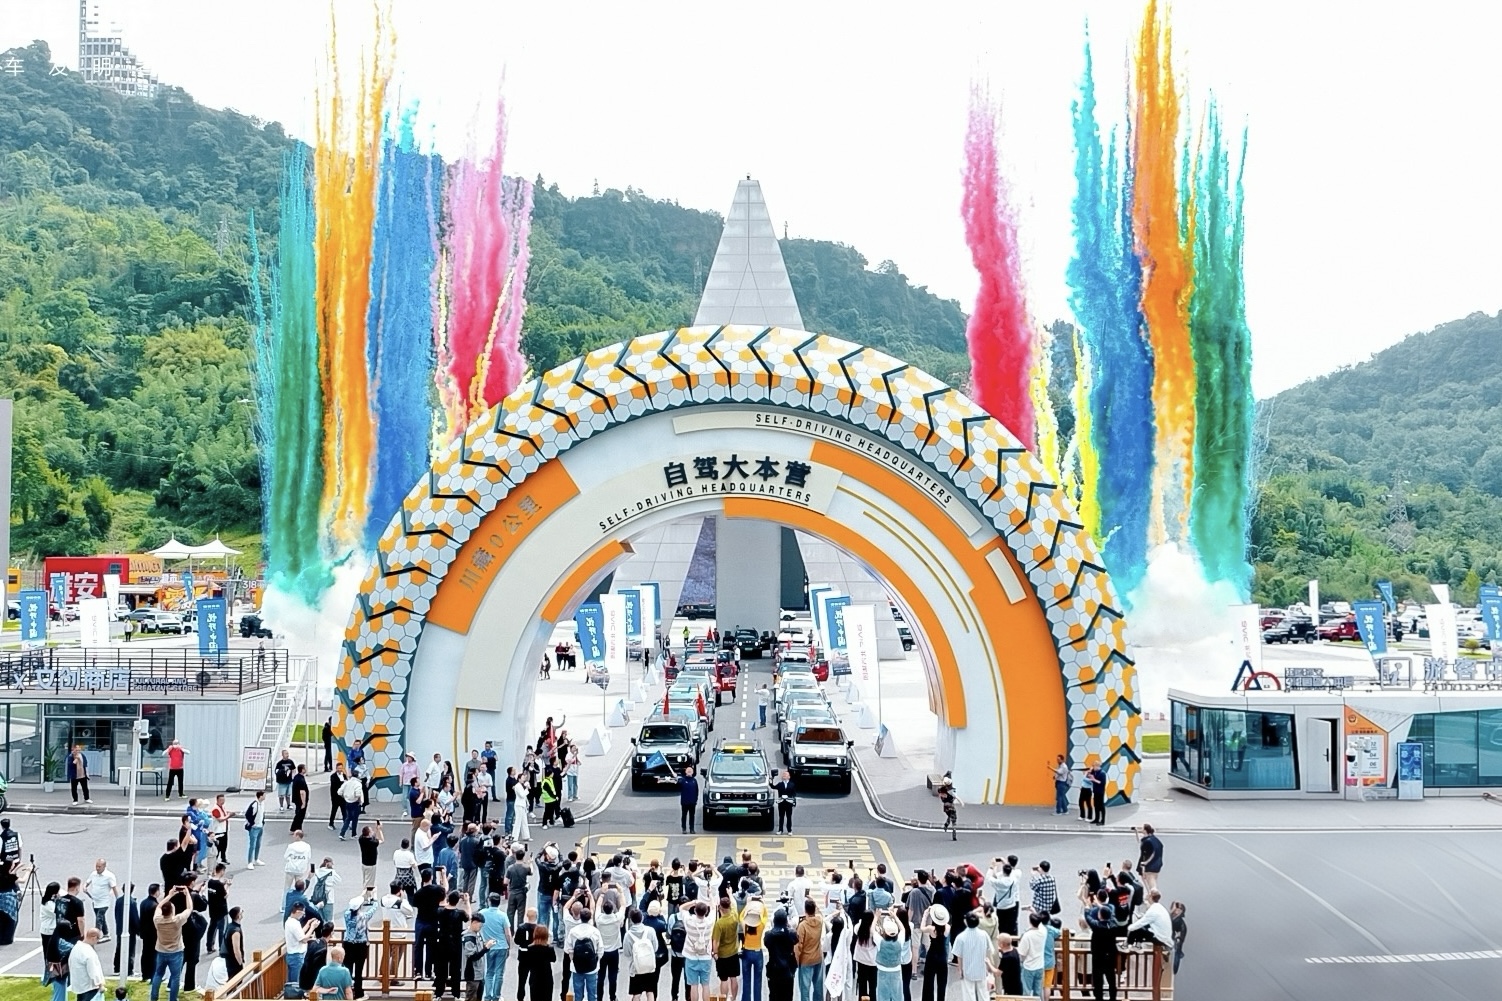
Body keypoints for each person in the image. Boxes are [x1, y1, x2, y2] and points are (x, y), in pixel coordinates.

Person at [149, 885, 192, 1001]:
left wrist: (169, 895)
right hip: (176, 952)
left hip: (161, 951)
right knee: (175, 977)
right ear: (172, 911)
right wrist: (187, 894)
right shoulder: (177, 920)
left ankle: (153, 997)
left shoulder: (157, 920)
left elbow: (159, 906)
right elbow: (189, 909)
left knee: (158, 974)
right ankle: (172, 999)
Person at [1081, 890, 1119, 1001]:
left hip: (1098, 957)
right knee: (1111, 979)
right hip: (1110, 956)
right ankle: (1113, 998)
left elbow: (1088, 916)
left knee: (1098, 980)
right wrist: (1100, 906)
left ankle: (1099, 998)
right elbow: (1111, 915)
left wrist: (1087, 906)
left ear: (1099, 915)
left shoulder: (1096, 926)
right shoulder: (1113, 925)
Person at [948, 912, 991, 1001]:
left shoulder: (961, 937)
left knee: (968, 995)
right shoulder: (984, 934)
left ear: (966, 922)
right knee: (983, 995)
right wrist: (988, 968)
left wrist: (960, 970)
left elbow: (959, 956)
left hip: (967, 970)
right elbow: (988, 951)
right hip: (981, 969)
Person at [566, 907, 605, 1001]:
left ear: (580, 916)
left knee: (578, 994)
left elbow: (568, 949)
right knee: (592, 994)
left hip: (577, 967)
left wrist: (573, 960)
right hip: (592, 967)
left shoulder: (573, 931)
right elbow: (600, 949)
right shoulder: (595, 931)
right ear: (590, 918)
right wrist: (596, 960)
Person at [678, 900, 713, 1001]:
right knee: (706, 985)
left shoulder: (689, 922)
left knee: (693, 985)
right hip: (706, 957)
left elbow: (681, 908)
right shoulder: (710, 922)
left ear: (694, 911)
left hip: (691, 956)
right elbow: (713, 907)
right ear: (706, 912)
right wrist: (709, 900)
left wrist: (694, 902)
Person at [791, 898, 822, 1001]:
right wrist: (813, 900)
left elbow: (798, 946)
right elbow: (819, 912)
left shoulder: (802, 926)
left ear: (805, 910)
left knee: (805, 989)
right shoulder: (819, 921)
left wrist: (796, 961)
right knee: (818, 987)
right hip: (818, 958)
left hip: (806, 960)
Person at [83, 859, 118, 942]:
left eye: (99, 867)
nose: (97, 868)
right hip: (95, 901)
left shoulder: (109, 876)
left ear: (104, 866)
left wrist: (118, 900)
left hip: (104, 902)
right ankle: (106, 934)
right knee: (101, 918)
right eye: (96, 866)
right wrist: (85, 887)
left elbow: (114, 888)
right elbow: (87, 882)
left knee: (99, 919)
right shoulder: (93, 874)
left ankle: (95, 937)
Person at [284, 903, 317, 986]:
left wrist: (308, 924)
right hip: (297, 956)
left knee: (292, 980)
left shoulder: (290, 921)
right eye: (303, 913)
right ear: (298, 912)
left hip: (292, 955)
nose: (303, 915)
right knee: (296, 982)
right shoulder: (294, 924)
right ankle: (294, 993)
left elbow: (300, 934)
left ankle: (291, 992)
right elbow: (304, 939)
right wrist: (312, 927)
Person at [1015, 913, 1047, 1000]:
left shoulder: (1027, 936)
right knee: (1038, 992)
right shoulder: (1043, 932)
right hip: (1040, 965)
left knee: (1026, 991)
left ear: (1030, 922)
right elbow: (1040, 925)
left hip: (1028, 966)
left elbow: (1022, 953)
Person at [68, 928, 106, 1001]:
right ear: (94, 937)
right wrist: (100, 984)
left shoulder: (76, 948)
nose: (97, 942)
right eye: (98, 939)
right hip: (89, 987)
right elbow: (93, 971)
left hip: (79, 986)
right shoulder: (88, 952)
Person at [528, 925, 556, 1001]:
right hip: (547, 977)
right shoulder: (549, 948)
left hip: (534, 977)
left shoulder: (530, 948)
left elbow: (528, 962)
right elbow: (553, 959)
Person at [1135, 825, 1164, 894]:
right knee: (1150, 881)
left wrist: (1145, 863)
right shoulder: (1154, 839)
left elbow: (1152, 854)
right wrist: (1136, 831)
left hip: (1150, 865)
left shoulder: (1148, 841)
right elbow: (1140, 841)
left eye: (1142, 829)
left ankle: (1153, 896)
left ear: (1145, 830)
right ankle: (1150, 894)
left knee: (1151, 883)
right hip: (1157, 864)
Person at [220, 906, 245, 982]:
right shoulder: (235, 931)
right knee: (235, 981)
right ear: (238, 916)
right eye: (241, 912)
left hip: (228, 960)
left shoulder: (230, 926)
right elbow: (236, 950)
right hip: (233, 962)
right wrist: (240, 962)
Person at [245, 790, 267, 868]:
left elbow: (262, 814)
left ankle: (256, 859)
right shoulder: (254, 804)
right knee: (252, 845)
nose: (265, 797)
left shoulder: (262, 804)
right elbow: (247, 815)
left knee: (258, 844)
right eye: (264, 795)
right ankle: (250, 862)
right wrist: (252, 823)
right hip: (254, 828)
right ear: (260, 796)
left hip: (260, 827)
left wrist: (262, 822)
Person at [210, 794, 233, 865]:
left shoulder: (222, 807)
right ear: (217, 800)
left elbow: (224, 814)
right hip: (218, 831)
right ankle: (215, 860)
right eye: (221, 800)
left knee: (224, 845)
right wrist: (229, 816)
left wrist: (228, 813)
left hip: (224, 829)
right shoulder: (215, 809)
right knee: (218, 846)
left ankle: (223, 858)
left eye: (223, 800)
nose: (222, 801)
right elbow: (220, 819)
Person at [770, 770, 796, 835]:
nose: (784, 776)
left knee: (789, 817)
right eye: (783, 775)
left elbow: (794, 794)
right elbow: (773, 786)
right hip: (781, 803)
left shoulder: (792, 784)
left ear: (789, 777)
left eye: (786, 775)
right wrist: (771, 780)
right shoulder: (780, 784)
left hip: (789, 803)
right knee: (781, 817)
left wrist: (794, 802)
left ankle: (789, 830)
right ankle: (780, 830)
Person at [936, 776, 959, 840]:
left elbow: (940, 791)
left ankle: (946, 824)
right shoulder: (951, 791)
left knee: (950, 815)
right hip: (951, 806)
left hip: (945, 807)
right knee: (954, 819)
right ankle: (954, 833)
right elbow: (954, 797)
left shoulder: (941, 790)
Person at [677, 767, 699, 835]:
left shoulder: (694, 781)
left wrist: (695, 800)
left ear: (693, 772)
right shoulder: (683, 780)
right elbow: (678, 786)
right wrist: (676, 778)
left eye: (690, 770)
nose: (689, 771)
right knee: (684, 815)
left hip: (692, 802)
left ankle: (692, 829)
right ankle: (684, 828)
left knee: (692, 816)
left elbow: (697, 791)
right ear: (685, 772)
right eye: (688, 770)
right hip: (684, 802)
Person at [291, 764, 311, 833]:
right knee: (300, 815)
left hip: (297, 799)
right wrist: (303, 803)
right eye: (305, 768)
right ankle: (298, 829)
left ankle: (293, 828)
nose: (306, 769)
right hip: (300, 800)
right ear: (302, 770)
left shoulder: (297, 777)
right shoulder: (301, 779)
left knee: (298, 814)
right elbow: (302, 792)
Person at [1169, 901, 1186, 976]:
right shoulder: (1170, 917)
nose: (1176, 909)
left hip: (1173, 944)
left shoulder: (1180, 923)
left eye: (1179, 908)